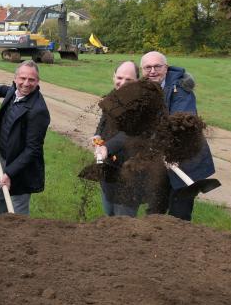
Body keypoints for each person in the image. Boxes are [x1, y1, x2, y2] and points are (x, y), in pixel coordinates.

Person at [140, 51, 215, 220]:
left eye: (157, 66)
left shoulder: (181, 89)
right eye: (148, 67)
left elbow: (180, 125)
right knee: (154, 211)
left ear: (166, 68)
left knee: (180, 213)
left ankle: (180, 244)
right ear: (142, 70)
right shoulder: (141, 90)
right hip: (159, 162)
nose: (152, 71)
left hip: (185, 160)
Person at [0, 60, 50, 215]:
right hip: (1, 156)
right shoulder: (15, 91)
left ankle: (18, 238)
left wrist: (10, 173)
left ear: (38, 81)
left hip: (20, 166)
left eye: (31, 80)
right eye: (22, 78)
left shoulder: (38, 110)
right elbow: (3, 90)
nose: (26, 83)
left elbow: (32, 149)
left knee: (16, 207)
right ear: (15, 79)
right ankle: (2, 231)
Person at [92, 61, 141, 217]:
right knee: (109, 216)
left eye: (129, 80)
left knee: (123, 225)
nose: (123, 83)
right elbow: (103, 121)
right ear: (113, 77)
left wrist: (106, 147)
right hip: (108, 169)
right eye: (120, 78)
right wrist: (98, 135)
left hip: (129, 175)